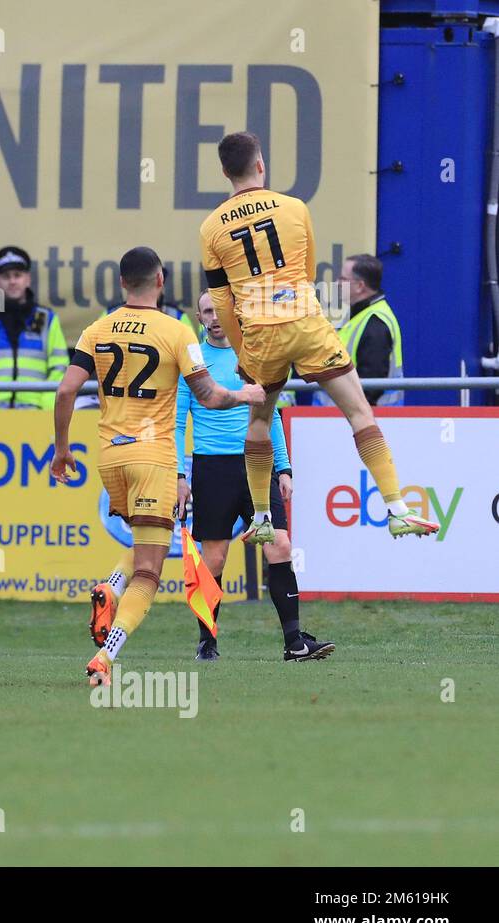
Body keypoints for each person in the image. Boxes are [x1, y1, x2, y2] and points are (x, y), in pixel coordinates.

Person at [200, 131, 436, 542]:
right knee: (360, 412)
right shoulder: (294, 208)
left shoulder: (211, 227)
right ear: (261, 165)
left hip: (259, 333)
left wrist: (242, 352)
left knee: (259, 420)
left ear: (224, 172)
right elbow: (307, 274)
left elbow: (222, 303)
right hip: (304, 321)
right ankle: (397, 509)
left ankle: (260, 518)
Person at [51, 247, 265, 687]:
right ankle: (105, 658)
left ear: (122, 283)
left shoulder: (97, 328)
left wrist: (61, 449)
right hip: (154, 458)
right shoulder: (175, 330)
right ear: (161, 280)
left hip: (111, 458)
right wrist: (245, 396)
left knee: (146, 542)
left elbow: (65, 390)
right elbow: (207, 395)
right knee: (150, 570)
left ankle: (111, 585)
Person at [175, 291, 329, 662]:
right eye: (207, 312)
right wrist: (180, 473)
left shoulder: (254, 356)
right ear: (199, 317)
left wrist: (285, 467)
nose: (214, 318)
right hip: (212, 467)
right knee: (214, 559)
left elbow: (270, 413)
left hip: (256, 464)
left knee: (280, 546)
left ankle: (294, 643)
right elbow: (178, 422)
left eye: (219, 311)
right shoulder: (191, 361)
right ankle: (206, 642)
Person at [0, 245, 70, 409]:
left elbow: (60, 369)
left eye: (17, 275)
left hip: (36, 415)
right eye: (5, 276)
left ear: (27, 279)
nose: (12, 281)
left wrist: (44, 408)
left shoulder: (46, 319)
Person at [314, 254, 403, 406]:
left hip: (358, 421)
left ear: (360, 286)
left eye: (343, 279)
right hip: (340, 420)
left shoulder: (375, 323)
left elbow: (370, 388)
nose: (337, 283)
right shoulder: (358, 315)